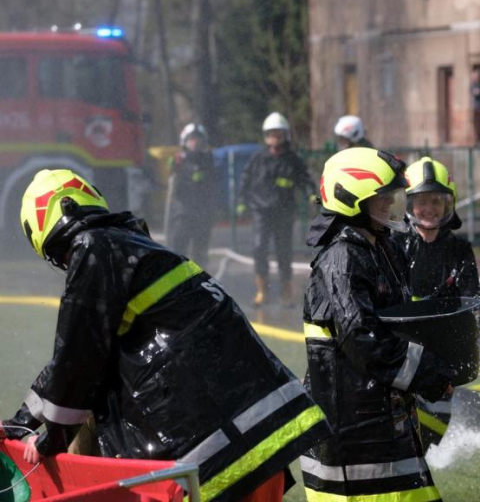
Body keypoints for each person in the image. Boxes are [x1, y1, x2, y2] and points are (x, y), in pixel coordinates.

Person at [0, 169, 331, 502]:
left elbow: (79, 355)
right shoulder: (136, 247)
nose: (67, 263)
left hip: (209, 450)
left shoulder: (93, 246)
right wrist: (22, 421)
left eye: (60, 255)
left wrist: (51, 436)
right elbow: (86, 353)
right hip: (257, 434)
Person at [301, 147, 456, 501]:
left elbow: (399, 318)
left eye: (391, 196)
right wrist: (427, 373)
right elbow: (363, 339)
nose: (390, 204)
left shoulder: (380, 246)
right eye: (382, 198)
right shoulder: (341, 258)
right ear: (351, 201)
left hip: (384, 425)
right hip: (355, 448)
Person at [392, 156, 480, 451]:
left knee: (429, 434)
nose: (428, 209)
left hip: (442, 354)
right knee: (396, 428)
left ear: (448, 205)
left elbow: (472, 300)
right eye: (421, 201)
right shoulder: (394, 245)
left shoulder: (460, 250)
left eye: (436, 201)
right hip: (401, 350)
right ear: (409, 205)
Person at [237, 112, 316, 307]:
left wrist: (311, 195)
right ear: (266, 135)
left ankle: (286, 292)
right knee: (259, 248)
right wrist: (241, 201)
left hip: (284, 211)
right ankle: (261, 291)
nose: (275, 137)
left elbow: (305, 179)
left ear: (285, 135)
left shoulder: (292, 159)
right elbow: (245, 180)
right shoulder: (258, 158)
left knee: (284, 252)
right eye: (271, 133)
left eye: (278, 133)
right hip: (260, 211)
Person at [165, 123, 220, 267]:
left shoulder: (208, 160)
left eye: (198, 139)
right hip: (182, 213)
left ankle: (198, 283)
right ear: (185, 141)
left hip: (202, 213)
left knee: (200, 252)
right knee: (177, 247)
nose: (195, 142)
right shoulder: (179, 160)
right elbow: (175, 187)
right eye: (191, 139)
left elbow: (213, 184)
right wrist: (174, 168)